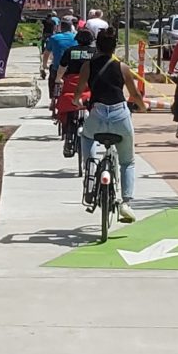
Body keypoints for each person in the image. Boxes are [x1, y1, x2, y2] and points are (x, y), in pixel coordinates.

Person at [78, 26, 146, 222]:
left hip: (97, 115)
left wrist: (77, 103)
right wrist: (142, 108)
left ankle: (91, 171)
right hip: (120, 117)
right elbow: (134, 94)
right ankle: (126, 203)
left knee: (87, 136)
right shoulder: (123, 68)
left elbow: (78, 93)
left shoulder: (88, 66)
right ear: (114, 47)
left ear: (96, 45)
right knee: (127, 162)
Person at [43, 18, 80, 105]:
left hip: (57, 66)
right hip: (73, 68)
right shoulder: (76, 37)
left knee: (52, 77)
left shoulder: (54, 38)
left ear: (60, 27)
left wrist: (44, 64)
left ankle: (53, 98)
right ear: (71, 27)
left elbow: (46, 53)